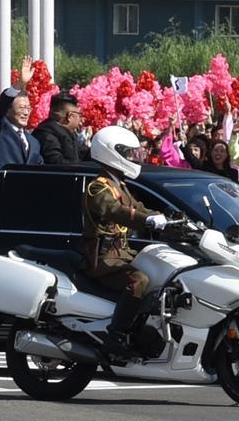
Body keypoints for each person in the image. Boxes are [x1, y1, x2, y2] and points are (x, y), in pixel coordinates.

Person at [82, 125, 167, 354]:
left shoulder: (120, 185)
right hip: (103, 258)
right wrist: (146, 220)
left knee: (160, 275)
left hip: (122, 253)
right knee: (138, 280)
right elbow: (113, 210)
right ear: (110, 152)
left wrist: (168, 218)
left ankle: (140, 331)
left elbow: (139, 207)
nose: (133, 158)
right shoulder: (98, 187)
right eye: (128, 153)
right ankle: (116, 335)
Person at [0, 56, 43, 169]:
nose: (26, 112)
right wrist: (19, 84)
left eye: (28, 108)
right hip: (0, 180)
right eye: (21, 108)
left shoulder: (34, 142)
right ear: (8, 111)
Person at [32, 92, 88, 165]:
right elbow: (58, 164)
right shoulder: (47, 136)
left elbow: (83, 153)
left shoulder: (69, 133)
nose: (81, 119)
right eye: (79, 115)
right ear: (70, 116)